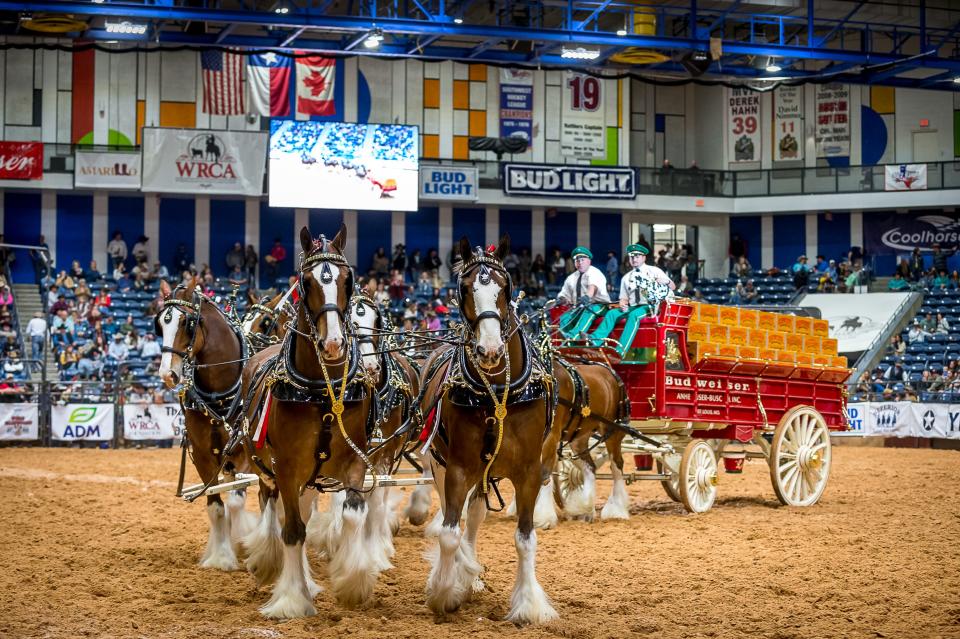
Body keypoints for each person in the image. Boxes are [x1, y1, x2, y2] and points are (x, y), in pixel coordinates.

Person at [584, 244, 674, 356]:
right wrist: (622, 304)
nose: (634, 259)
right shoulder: (626, 277)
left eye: (637, 256)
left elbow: (673, 286)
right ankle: (595, 340)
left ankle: (620, 351)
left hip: (649, 306)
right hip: (632, 306)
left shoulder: (654, 271)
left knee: (634, 315)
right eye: (631, 257)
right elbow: (623, 298)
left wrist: (666, 281)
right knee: (612, 313)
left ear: (644, 258)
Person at [556, 246, 611, 338]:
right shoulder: (571, 277)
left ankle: (573, 337)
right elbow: (564, 294)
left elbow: (592, 288)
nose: (580, 263)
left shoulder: (594, 272)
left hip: (599, 305)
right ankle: (568, 343)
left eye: (582, 260)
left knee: (589, 310)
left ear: (589, 261)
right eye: (577, 261)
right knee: (564, 318)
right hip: (579, 307)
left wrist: (587, 297)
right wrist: (562, 299)